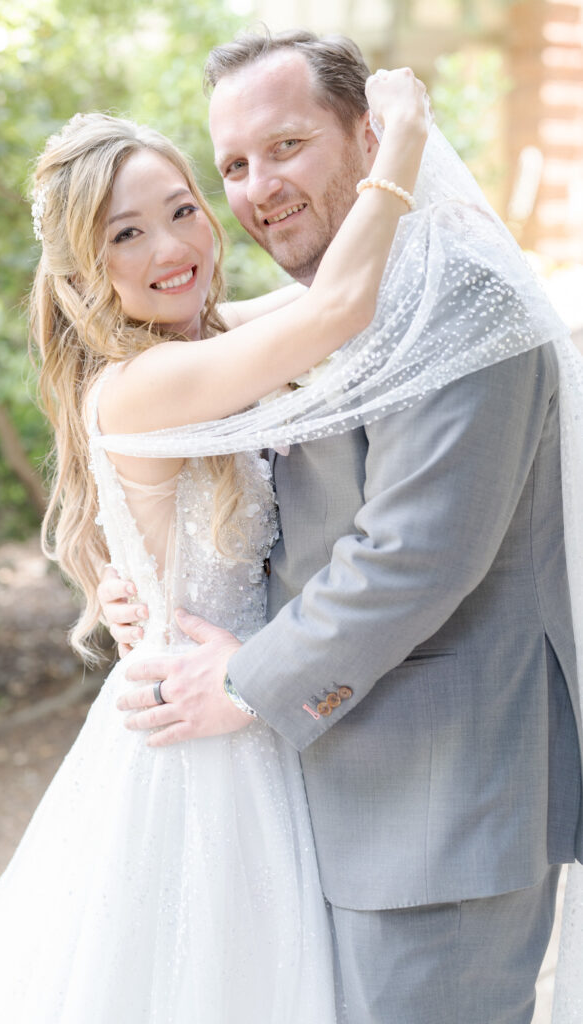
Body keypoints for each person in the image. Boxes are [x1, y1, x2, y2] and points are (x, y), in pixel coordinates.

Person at [0, 71, 430, 1023]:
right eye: (125, 233)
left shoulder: (193, 345)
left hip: (241, 712)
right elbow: (335, 310)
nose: (171, 247)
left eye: (183, 211)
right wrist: (400, 142)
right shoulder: (144, 383)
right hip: (199, 747)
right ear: (84, 268)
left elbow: (341, 290)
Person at [100, 29, 583, 1024]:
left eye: (285, 147)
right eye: (232, 165)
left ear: (370, 140)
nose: (257, 187)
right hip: (324, 793)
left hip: (438, 807)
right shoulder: (328, 303)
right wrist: (153, 589)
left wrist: (240, 681)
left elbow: (412, 556)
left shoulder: (457, 299)